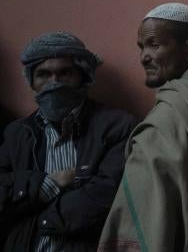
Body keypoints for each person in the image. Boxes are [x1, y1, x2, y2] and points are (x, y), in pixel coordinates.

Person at [98, 3, 188, 252]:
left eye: (154, 45)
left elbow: (145, 221)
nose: (144, 56)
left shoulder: (167, 117)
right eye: (142, 47)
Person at [0, 32, 136, 251]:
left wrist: (38, 218)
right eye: (43, 74)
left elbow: (108, 194)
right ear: (32, 81)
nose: (54, 83)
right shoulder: (16, 134)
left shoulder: (117, 126)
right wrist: (50, 183)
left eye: (65, 72)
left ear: (84, 75)